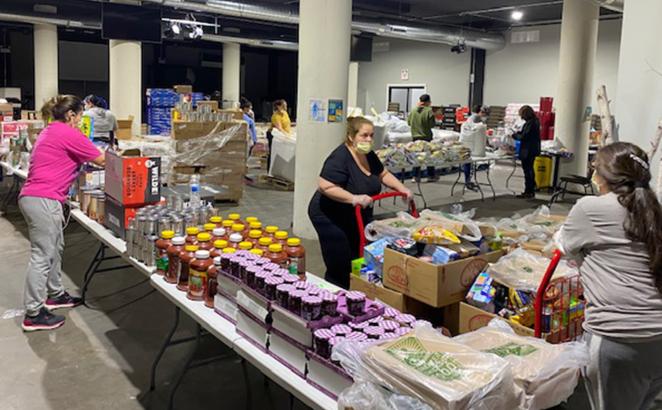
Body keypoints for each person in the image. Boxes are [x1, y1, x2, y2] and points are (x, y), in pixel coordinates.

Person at [556, 142, 662, 410]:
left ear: (604, 177)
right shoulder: (654, 209)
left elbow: (566, 244)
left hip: (618, 338)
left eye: (595, 169)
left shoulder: (590, 208)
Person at [20, 95, 105, 332]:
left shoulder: (51, 131)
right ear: (71, 115)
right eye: (79, 116)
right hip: (43, 199)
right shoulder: (67, 133)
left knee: (54, 249)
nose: (80, 121)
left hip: (38, 198)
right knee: (42, 255)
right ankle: (33, 313)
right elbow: (102, 159)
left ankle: (55, 295)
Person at [308, 117, 412, 289]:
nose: (369, 140)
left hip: (355, 212)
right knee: (340, 257)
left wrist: (402, 189)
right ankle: (334, 291)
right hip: (329, 213)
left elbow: (383, 174)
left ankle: (356, 290)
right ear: (351, 136)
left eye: (371, 135)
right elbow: (325, 186)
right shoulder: (340, 157)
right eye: (364, 136)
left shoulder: (368, 155)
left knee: (361, 252)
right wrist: (353, 198)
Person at [407, 94, 438, 182]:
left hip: (415, 137)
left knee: (417, 157)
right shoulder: (429, 111)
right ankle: (431, 176)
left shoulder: (413, 111)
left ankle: (415, 176)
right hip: (426, 137)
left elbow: (409, 122)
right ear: (428, 102)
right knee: (429, 157)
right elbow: (432, 124)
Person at [512, 105, 540, 198]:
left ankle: (529, 191)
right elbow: (526, 134)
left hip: (528, 150)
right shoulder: (535, 122)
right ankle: (531, 189)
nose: (521, 117)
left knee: (527, 171)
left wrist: (515, 136)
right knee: (530, 170)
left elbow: (525, 137)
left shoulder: (530, 123)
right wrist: (519, 133)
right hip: (532, 149)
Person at [460, 105, 489, 191]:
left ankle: (468, 181)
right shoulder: (476, 118)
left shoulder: (473, 117)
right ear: (481, 112)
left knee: (468, 162)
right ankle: (468, 182)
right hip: (472, 144)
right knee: (468, 162)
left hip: (469, 143)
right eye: (484, 113)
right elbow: (477, 131)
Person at [267, 99, 292, 169]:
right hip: (274, 135)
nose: (285, 108)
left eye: (286, 106)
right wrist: (287, 136)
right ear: (278, 106)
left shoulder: (285, 113)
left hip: (283, 135)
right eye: (283, 106)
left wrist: (289, 134)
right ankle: (270, 169)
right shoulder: (276, 116)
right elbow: (279, 128)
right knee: (273, 152)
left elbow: (288, 124)